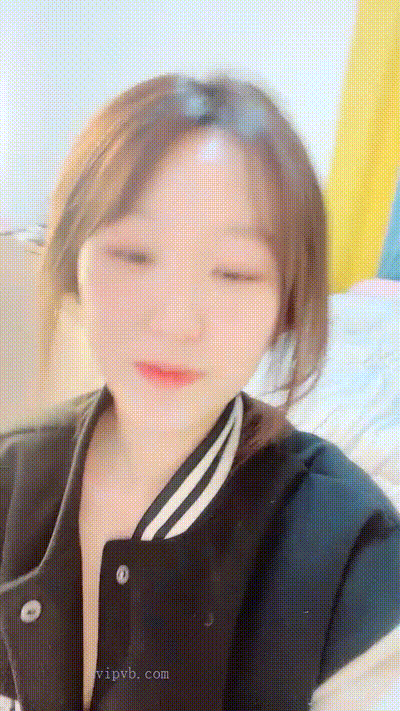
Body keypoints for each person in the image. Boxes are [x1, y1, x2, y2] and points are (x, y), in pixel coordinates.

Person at [0, 72, 398, 711]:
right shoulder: (11, 477)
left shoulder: (355, 551)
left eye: (234, 273)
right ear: (74, 263)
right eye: (135, 256)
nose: (177, 322)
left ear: (287, 306)